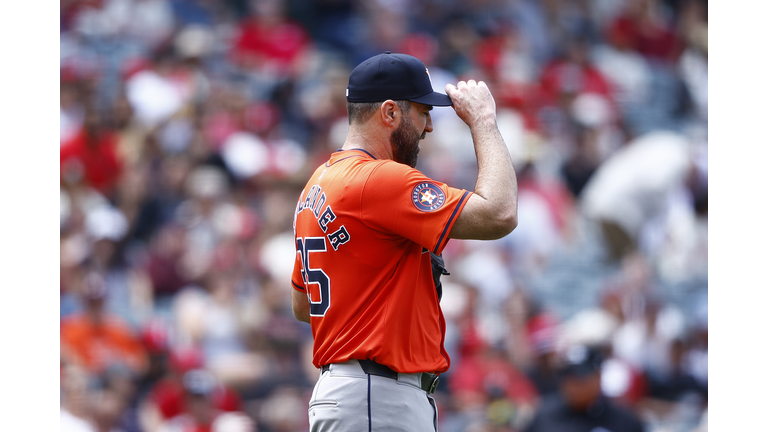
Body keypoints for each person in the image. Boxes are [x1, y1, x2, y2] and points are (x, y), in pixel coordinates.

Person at [290, 52, 519, 431]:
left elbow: (303, 305)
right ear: (391, 112)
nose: (429, 126)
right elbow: (499, 213)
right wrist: (483, 121)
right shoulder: (378, 179)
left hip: (356, 393)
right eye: (423, 111)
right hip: (375, 397)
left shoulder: (318, 182)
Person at [523, 344, 645, 432]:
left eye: (582, 375)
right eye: (569, 374)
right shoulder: (544, 416)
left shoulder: (623, 420)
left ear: (598, 377)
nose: (575, 383)